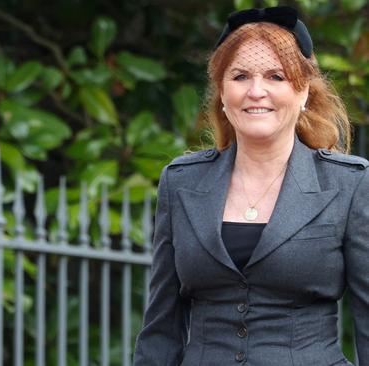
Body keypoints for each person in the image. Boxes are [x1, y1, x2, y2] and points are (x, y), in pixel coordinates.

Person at [134, 6, 368, 366]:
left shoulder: (350, 184)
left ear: (303, 91)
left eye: (276, 76)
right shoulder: (180, 183)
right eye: (240, 76)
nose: (256, 91)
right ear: (223, 94)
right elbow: (161, 327)